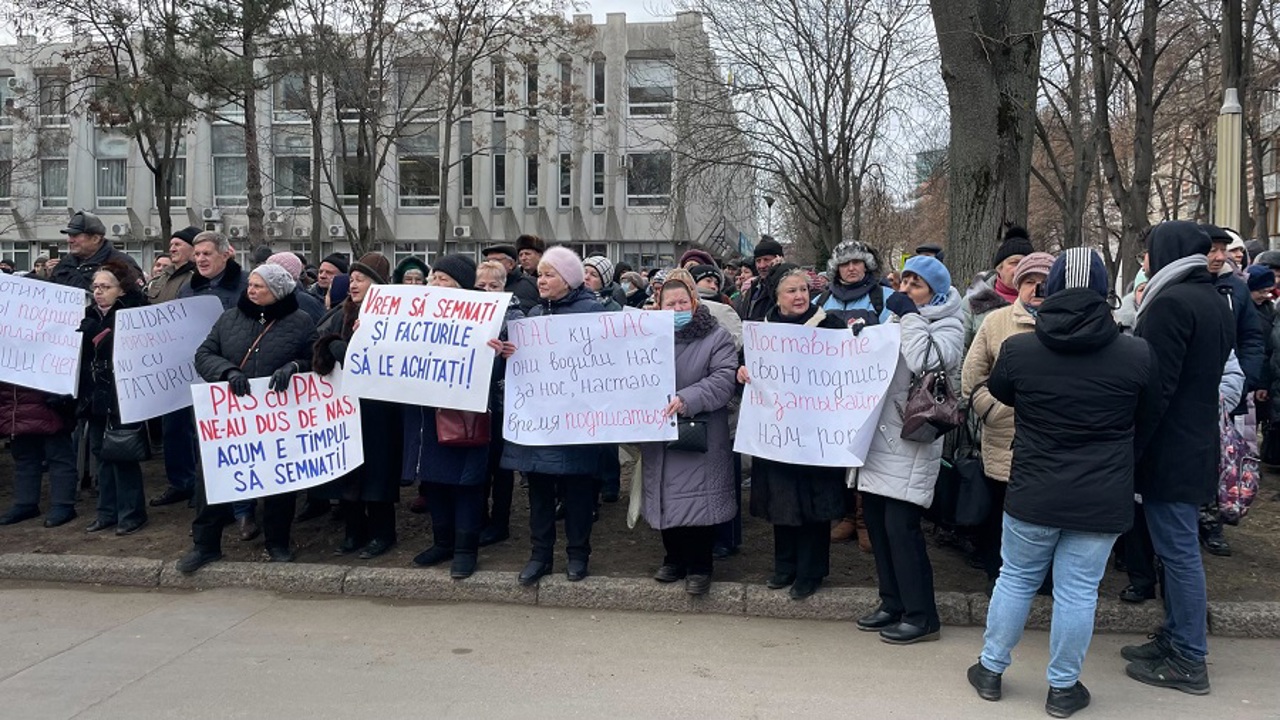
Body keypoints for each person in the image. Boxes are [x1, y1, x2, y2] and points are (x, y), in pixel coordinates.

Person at [967, 248, 1160, 718]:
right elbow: (1149, 418)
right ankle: (1063, 687)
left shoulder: (1020, 350)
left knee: (1015, 578)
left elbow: (1001, 393)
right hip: (1102, 492)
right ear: (1102, 290)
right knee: (1078, 591)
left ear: (1050, 291)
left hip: (1034, 486)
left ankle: (991, 670)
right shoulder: (1136, 352)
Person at [1124, 221, 1234, 695]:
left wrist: (1134, 446)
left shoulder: (1170, 302)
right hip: (1195, 439)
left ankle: (1189, 657)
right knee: (1177, 549)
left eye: (1149, 252)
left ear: (1166, 252)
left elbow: (1157, 387)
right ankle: (1173, 637)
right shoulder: (1212, 297)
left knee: (1178, 552)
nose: (1145, 260)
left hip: (1171, 447)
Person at [177, 264, 317, 572]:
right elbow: (204, 355)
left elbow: (315, 358)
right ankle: (206, 545)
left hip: (278, 417)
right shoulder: (229, 319)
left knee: (279, 482)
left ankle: (277, 542)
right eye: (250, 285)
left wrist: (294, 367)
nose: (251, 290)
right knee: (212, 480)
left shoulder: (301, 321)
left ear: (278, 291)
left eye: (259, 286)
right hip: (231, 417)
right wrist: (227, 372)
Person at [854, 255, 963, 645]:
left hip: (912, 440)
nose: (905, 292)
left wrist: (910, 318)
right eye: (903, 283)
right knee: (881, 527)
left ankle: (922, 615)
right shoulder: (898, 319)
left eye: (915, 285)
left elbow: (928, 360)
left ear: (934, 290)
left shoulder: (949, 321)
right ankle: (892, 602)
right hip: (880, 439)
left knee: (902, 529)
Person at [738, 266, 848, 599]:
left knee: (813, 502)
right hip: (777, 432)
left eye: (803, 289)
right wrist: (742, 371)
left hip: (815, 434)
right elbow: (747, 367)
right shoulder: (761, 333)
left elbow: (845, 371)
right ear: (777, 296)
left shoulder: (830, 327)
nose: (800, 296)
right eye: (791, 291)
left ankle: (811, 571)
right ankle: (784, 566)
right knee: (781, 499)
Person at [499, 246, 606, 585]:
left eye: (548, 274)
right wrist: (508, 353)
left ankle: (578, 555)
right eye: (539, 274)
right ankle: (540, 556)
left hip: (576, 423)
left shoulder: (594, 313)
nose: (540, 280)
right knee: (540, 493)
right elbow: (525, 364)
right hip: (540, 423)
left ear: (569, 279)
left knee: (577, 493)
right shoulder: (532, 316)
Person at [639, 274, 738, 595]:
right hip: (660, 431)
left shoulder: (716, 337)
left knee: (698, 502)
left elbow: (724, 379)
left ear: (694, 302)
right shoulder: (646, 338)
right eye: (671, 303)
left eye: (684, 302)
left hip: (700, 433)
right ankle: (673, 559)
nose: (678, 308)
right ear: (659, 306)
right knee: (666, 497)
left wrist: (688, 399)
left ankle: (700, 566)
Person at [961, 251, 1055, 586]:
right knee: (999, 510)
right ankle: (997, 574)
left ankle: (1041, 580)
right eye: (1029, 281)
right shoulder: (996, 321)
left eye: (1043, 282)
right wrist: (993, 410)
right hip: (1002, 437)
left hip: (1049, 439)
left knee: (1043, 513)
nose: (1036, 289)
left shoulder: (1065, 323)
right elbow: (972, 376)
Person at [399, 254, 492, 577]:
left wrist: (496, 349)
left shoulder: (486, 317)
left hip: (463, 414)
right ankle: (443, 542)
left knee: (465, 483)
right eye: (432, 278)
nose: (433, 283)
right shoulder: (413, 316)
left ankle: (466, 549)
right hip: (424, 414)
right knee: (434, 479)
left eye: (442, 278)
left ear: (460, 284)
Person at [312, 253, 404, 559]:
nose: (352, 284)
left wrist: (341, 348)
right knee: (348, 469)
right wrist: (328, 348)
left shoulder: (393, 315)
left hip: (379, 408)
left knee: (378, 471)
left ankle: (382, 533)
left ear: (376, 284)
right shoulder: (342, 312)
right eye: (351, 278)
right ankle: (354, 531)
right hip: (344, 406)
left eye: (360, 279)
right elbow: (319, 347)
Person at [79, 260, 151, 536]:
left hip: (123, 394)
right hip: (95, 394)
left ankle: (132, 514)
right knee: (101, 456)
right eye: (95, 286)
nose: (98, 291)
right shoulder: (89, 314)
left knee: (123, 454)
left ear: (121, 290)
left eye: (105, 287)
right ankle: (106, 512)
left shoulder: (134, 314)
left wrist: (98, 335)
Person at [475, 261, 525, 546]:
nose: (487, 290)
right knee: (478, 464)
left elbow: (528, 356)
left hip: (503, 403)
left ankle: (500, 521)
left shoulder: (516, 316)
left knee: (501, 467)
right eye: (481, 285)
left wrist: (509, 353)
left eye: (494, 285)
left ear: (504, 286)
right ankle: (479, 517)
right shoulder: (465, 313)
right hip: (474, 402)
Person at [962, 227, 1034, 350]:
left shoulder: (1039, 301)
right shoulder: (974, 300)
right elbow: (961, 348)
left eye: (1026, 263)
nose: (1021, 268)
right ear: (999, 268)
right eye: (1015, 263)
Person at [48, 210, 142, 290]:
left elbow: (137, 299)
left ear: (95, 239)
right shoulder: (65, 263)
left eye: (75, 235)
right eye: (69, 236)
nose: (69, 240)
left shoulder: (122, 264)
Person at [265, 252, 326, 323]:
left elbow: (317, 329)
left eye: (270, 271)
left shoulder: (306, 303)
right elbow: (259, 324)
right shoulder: (265, 299)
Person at [735, 236, 785, 321]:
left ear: (778, 259)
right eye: (758, 261)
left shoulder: (786, 285)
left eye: (766, 260)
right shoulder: (754, 287)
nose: (762, 265)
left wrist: (776, 271)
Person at [481, 244, 540, 311]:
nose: (490, 265)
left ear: (511, 264)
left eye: (496, 261)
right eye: (487, 261)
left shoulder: (531, 285)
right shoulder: (480, 287)